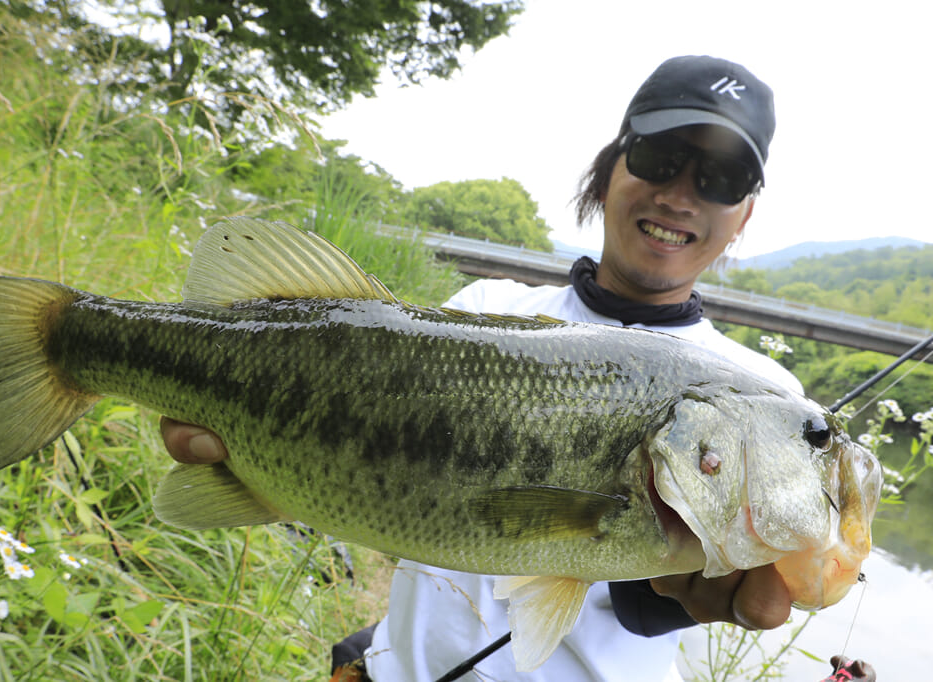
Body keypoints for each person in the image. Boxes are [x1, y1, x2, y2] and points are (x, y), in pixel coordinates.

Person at [159, 56, 854, 681]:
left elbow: (654, 593)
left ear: (746, 214)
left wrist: (689, 585)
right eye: (659, 155)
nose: (680, 194)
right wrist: (273, 473)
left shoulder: (765, 396)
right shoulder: (484, 308)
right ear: (610, 165)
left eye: (722, 177)